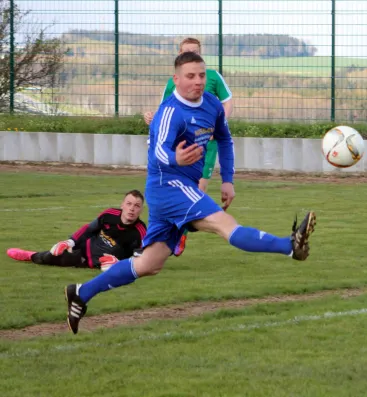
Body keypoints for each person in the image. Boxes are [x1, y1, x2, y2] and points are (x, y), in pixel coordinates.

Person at [64, 52, 316, 335]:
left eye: (201, 75)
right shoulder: (170, 112)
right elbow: (158, 151)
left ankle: (81, 292)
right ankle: (289, 246)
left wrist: (228, 179)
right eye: (190, 76)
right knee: (224, 225)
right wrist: (176, 160)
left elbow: (224, 139)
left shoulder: (211, 104)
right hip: (167, 185)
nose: (198, 81)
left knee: (149, 264)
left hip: (179, 188)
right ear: (176, 79)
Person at [143, 37, 234, 257]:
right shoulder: (173, 84)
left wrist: (217, 124)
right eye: (187, 51)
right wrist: (152, 118)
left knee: (198, 192)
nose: (197, 80)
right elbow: (166, 113)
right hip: (180, 153)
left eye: (195, 51)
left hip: (206, 145)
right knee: (190, 198)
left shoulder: (212, 77)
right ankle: (171, 236)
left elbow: (227, 102)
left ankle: (175, 234)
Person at [7, 190, 147, 272]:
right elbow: (88, 229)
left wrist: (118, 264)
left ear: (141, 209)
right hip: (84, 248)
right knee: (50, 256)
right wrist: (70, 241)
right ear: (122, 205)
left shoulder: (140, 232)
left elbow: (139, 261)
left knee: (54, 260)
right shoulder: (109, 214)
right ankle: (30, 255)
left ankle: (37, 256)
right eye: (128, 204)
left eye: (136, 206)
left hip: (94, 262)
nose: (132, 208)